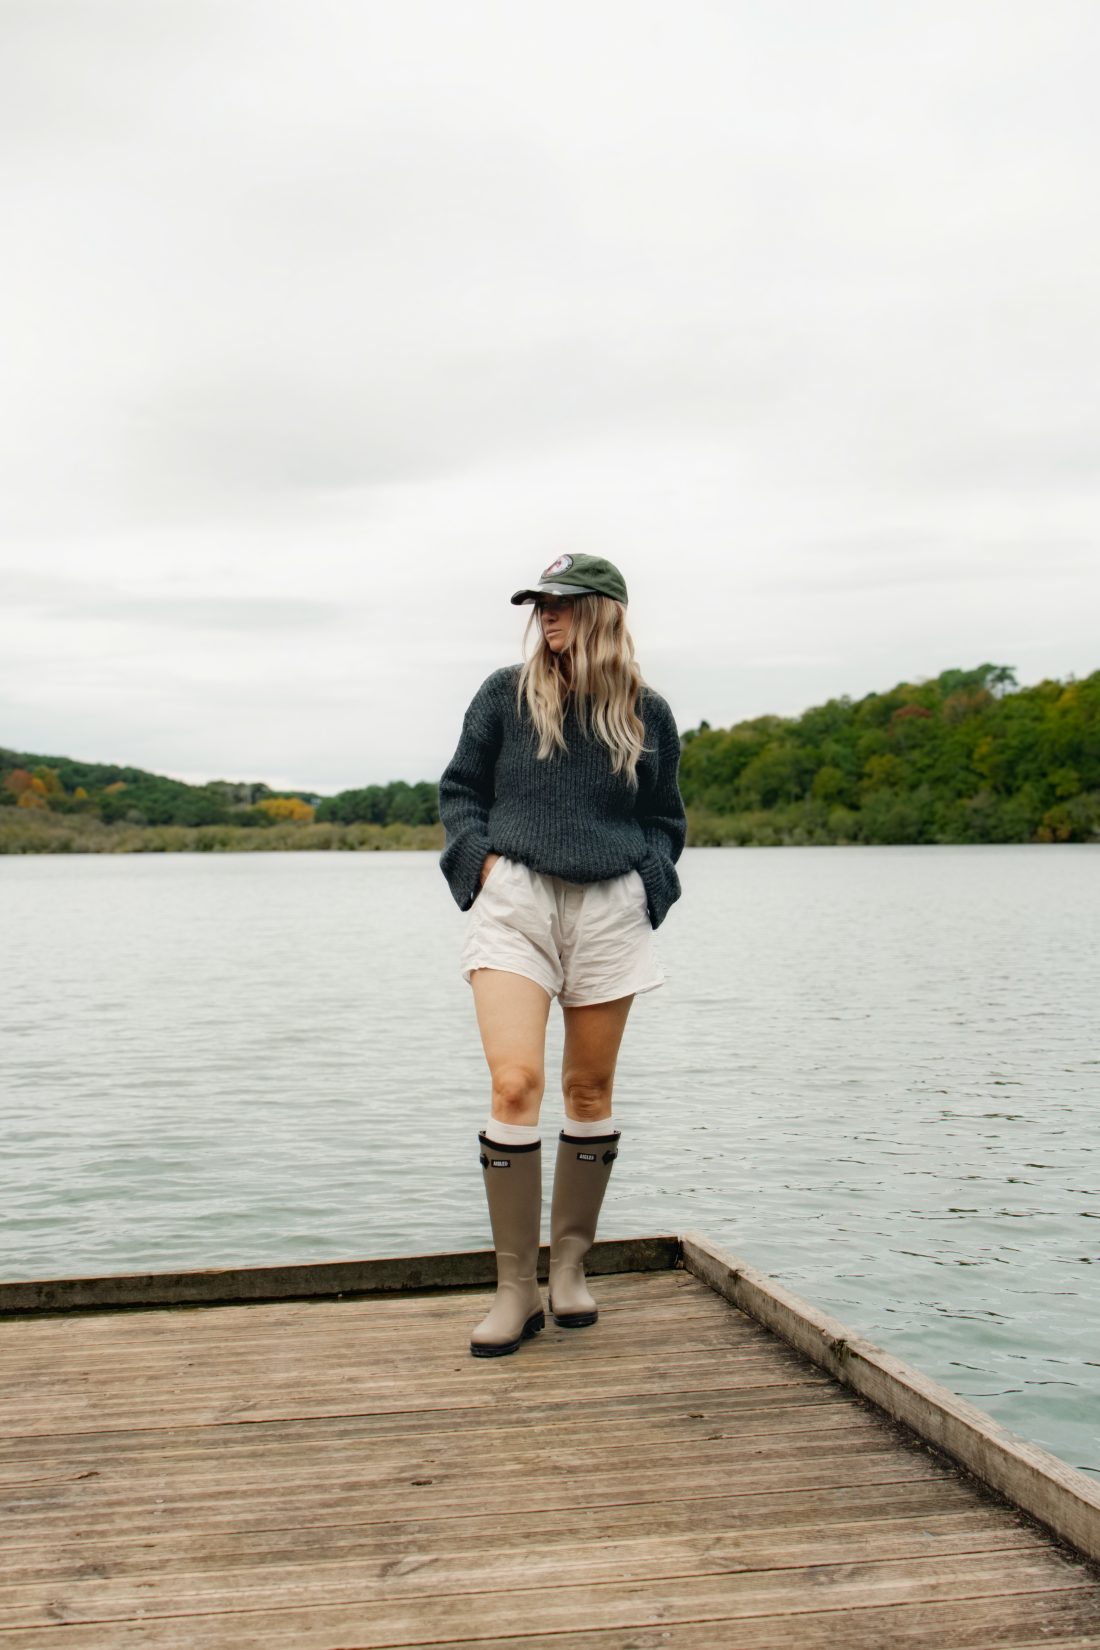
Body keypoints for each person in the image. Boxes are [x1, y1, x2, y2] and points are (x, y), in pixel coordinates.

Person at [438, 553, 686, 1358]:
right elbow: (460, 791)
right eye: (541, 604)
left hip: (610, 904)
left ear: (604, 612)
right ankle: (514, 1289)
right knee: (515, 1084)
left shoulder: (648, 712)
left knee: (588, 1086)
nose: (548, 616)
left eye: (565, 604)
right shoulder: (502, 698)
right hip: (517, 901)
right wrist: (479, 863)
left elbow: (666, 820)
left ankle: (570, 1272)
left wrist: (650, 881)